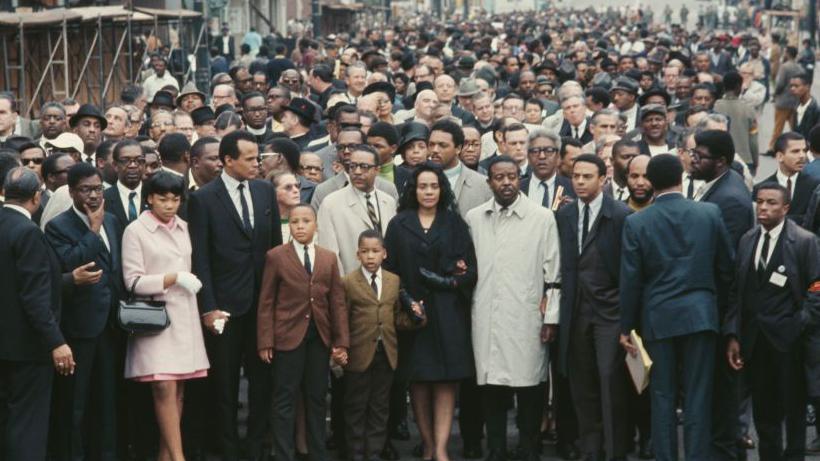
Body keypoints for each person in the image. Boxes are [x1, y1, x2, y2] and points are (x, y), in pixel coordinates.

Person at [619, 154, 734, 461]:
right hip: (701, 315)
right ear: (682, 177)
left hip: (658, 317)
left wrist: (626, 327)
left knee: (662, 395)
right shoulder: (709, 213)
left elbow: (630, 281)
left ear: (650, 182)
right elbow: (727, 268)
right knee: (698, 396)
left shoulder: (636, 221)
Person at [188, 130, 283, 461]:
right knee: (225, 384)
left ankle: (256, 446)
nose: (257, 164)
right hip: (225, 307)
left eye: (258, 157)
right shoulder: (203, 198)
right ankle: (227, 448)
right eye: (250, 158)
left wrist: (276, 300)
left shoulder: (264, 191)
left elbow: (274, 249)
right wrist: (210, 307)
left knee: (262, 381)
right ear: (228, 161)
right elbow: (201, 258)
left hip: (262, 304)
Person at [467, 155, 561, 461]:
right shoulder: (474, 217)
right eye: (499, 177)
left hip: (527, 316)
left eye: (511, 176)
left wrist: (551, 319)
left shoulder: (542, 217)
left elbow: (554, 275)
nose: (506, 183)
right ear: (489, 181)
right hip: (487, 316)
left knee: (530, 385)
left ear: (520, 178)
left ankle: (529, 447)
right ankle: (496, 449)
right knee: (492, 386)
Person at [383, 162, 477, 461]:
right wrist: (406, 299)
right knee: (419, 380)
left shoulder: (454, 223)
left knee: (446, 380)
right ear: (413, 189)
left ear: (442, 189)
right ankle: (426, 446)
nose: (428, 191)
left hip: (448, 311)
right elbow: (390, 270)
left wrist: (449, 281)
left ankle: (441, 449)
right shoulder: (399, 224)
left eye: (434, 186)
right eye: (422, 186)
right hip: (412, 313)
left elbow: (470, 270)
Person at [725, 183, 820, 461]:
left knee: (793, 411)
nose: (763, 208)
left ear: (786, 208)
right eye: (760, 202)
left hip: (790, 343)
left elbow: (816, 287)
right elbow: (736, 291)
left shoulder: (804, 241)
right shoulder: (747, 239)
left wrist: (799, 322)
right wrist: (733, 333)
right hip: (755, 341)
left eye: (771, 203)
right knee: (764, 412)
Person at [121, 171, 210, 461]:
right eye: (162, 199)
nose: (169, 205)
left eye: (174, 199)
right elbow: (132, 282)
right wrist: (172, 278)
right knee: (163, 386)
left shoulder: (184, 227)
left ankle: (165, 455)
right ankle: (178, 456)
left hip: (184, 316)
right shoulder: (135, 230)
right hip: (155, 319)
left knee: (179, 387)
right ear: (149, 198)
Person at [257, 204, 349, 461]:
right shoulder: (276, 256)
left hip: (319, 337)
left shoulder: (328, 258)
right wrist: (265, 340)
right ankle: (283, 453)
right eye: (295, 221)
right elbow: (266, 301)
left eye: (306, 221)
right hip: (287, 337)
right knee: (284, 397)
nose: (300, 226)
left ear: (315, 225)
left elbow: (337, 302)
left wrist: (341, 341)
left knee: (317, 397)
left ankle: (317, 452)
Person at [46, 162, 123, 461]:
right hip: (79, 327)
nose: (93, 196)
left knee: (107, 401)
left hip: (111, 325)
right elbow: (68, 264)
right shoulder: (59, 226)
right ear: (71, 191)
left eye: (98, 189)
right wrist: (92, 230)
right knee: (75, 403)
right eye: (85, 190)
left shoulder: (113, 221)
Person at [555, 154, 631, 461]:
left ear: (603, 179)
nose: (581, 182)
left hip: (610, 312)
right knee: (581, 384)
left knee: (610, 381)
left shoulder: (621, 215)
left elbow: (630, 269)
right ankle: (589, 448)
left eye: (588, 176)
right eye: (576, 176)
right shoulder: (565, 215)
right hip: (575, 310)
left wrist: (627, 316)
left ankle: (615, 451)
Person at [0, 167, 74, 461]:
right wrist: (56, 341)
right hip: (27, 348)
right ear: (37, 196)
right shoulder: (28, 232)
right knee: (27, 424)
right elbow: (34, 295)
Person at [343, 229, 424, 461]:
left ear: (384, 254)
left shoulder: (393, 281)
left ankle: (374, 452)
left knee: (380, 406)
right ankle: (356, 453)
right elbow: (343, 318)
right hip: (358, 355)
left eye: (375, 251)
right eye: (365, 252)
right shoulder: (348, 282)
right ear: (357, 254)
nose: (370, 256)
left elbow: (396, 316)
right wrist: (340, 350)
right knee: (356, 407)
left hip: (386, 353)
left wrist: (417, 316)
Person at [318, 144, 397, 276]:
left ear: (377, 170)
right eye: (353, 166)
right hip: (350, 286)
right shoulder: (331, 203)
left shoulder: (388, 201)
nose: (357, 172)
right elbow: (329, 255)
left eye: (364, 167)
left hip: (386, 285)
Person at [427, 119, 493, 219]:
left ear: (458, 148)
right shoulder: (415, 181)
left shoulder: (483, 184)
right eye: (431, 145)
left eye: (442, 145)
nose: (435, 150)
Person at [755, 132, 820, 225]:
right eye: (795, 151)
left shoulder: (815, 186)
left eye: (804, 151)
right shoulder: (761, 188)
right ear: (780, 156)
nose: (802, 156)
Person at [104, 139, 148, 230]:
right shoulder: (104, 199)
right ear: (115, 165)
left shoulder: (154, 196)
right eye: (125, 161)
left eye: (139, 160)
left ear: (144, 165)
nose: (132, 165)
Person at [273, 172, 301, 242]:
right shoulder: (265, 224)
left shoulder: (307, 221)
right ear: (273, 192)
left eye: (297, 186)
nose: (296, 190)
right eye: (288, 187)